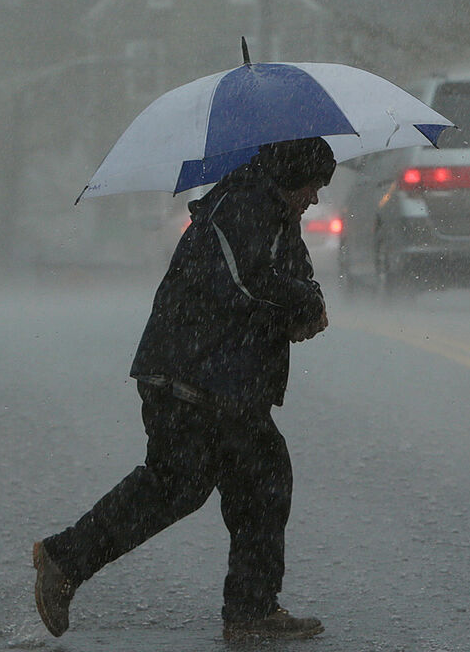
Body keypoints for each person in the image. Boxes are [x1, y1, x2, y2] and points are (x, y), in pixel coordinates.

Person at [32, 137, 337, 641]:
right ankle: (64, 559)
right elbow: (248, 281)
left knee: (257, 480)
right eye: (312, 186)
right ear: (291, 174)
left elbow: (296, 274)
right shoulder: (241, 202)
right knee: (185, 482)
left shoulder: (275, 210)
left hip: (225, 381)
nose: (315, 198)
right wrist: (299, 306)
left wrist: (309, 305)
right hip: (189, 374)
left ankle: (250, 612)